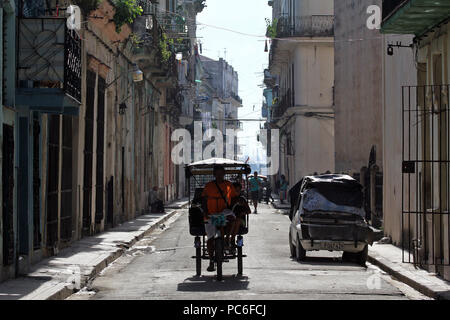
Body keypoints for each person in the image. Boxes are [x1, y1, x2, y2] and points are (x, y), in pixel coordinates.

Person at [201, 164, 239, 272]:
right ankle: (211, 260)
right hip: (211, 214)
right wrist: (205, 211)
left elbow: (234, 197)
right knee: (210, 238)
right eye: (217, 174)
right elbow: (203, 200)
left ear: (224, 174)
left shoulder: (228, 185)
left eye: (221, 174)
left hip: (223, 213)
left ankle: (228, 239)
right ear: (214, 174)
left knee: (233, 218)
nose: (219, 176)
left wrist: (237, 203)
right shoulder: (208, 186)